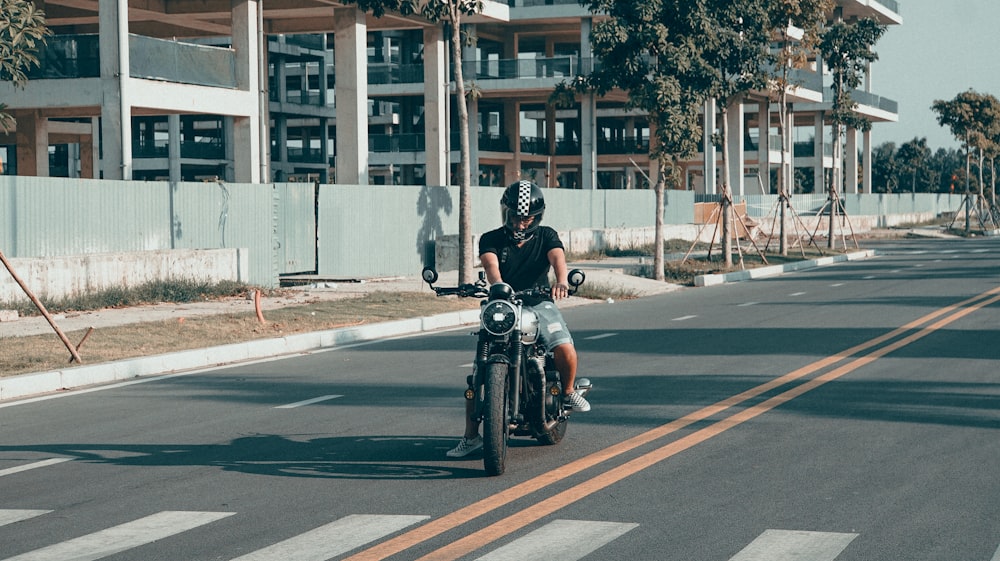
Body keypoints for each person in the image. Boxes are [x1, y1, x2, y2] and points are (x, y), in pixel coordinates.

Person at [447, 180, 590, 458]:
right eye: (515, 216)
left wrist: (561, 281)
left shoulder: (547, 235)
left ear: (537, 218)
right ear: (506, 213)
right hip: (503, 303)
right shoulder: (491, 238)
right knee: (478, 371)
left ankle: (570, 391)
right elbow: (490, 265)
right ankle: (471, 436)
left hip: (539, 302)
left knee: (564, 346)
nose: (520, 223)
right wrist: (499, 286)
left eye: (526, 218)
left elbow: (558, 258)